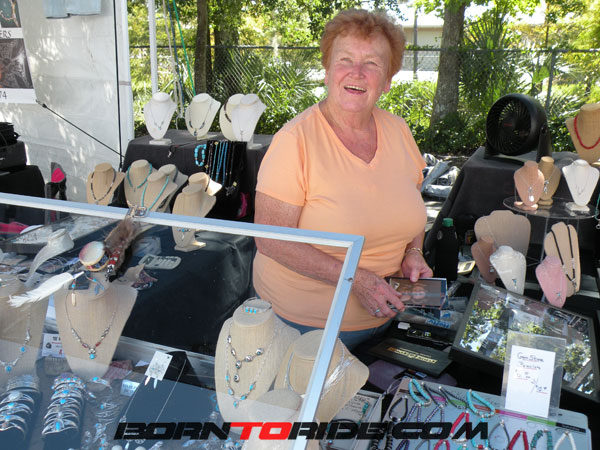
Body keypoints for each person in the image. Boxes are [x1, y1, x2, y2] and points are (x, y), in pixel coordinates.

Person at [252, 9, 432, 349]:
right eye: (345, 60)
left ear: (387, 81)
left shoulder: (398, 130)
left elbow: (411, 205)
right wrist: (355, 280)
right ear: (327, 71)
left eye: (372, 63)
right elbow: (271, 240)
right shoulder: (295, 141)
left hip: (388, 317)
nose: (357, 72)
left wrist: (414, 251)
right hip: (307, 330)